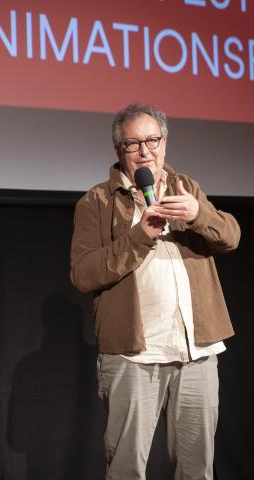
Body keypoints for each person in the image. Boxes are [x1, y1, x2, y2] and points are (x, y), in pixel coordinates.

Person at [70, 103, 240, 480]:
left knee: (197, 470)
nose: (145, 151)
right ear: (119, 150)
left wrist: (199, 214)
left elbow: (230, 237)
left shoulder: (187, 187)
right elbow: (84, 274)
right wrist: (139, 236)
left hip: (196, 350)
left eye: (152, 140)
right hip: (134, 354)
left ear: (165, 142)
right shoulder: (97, 201)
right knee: (126, 469)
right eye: (134, 144)